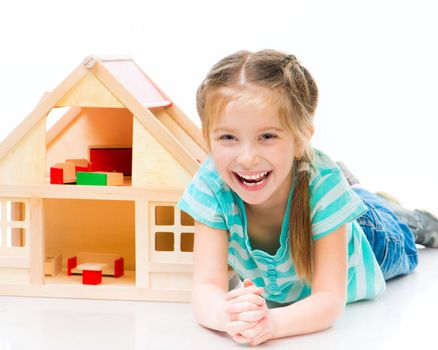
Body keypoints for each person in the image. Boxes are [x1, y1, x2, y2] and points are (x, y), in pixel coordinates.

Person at [177, 49, 438, 346]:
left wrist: (270, 324)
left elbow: (329, 299)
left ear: (301, 140)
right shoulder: (211, 185)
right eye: (228, 138)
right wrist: (227, 315)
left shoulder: (322, 187)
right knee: (349, 198)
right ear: (207, 138)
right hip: (327, 203)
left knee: (399, 234)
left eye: (267, 136)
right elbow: (206, 286)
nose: (247, 158)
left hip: (371, 240)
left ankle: (393, 209)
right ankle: (356, 192)